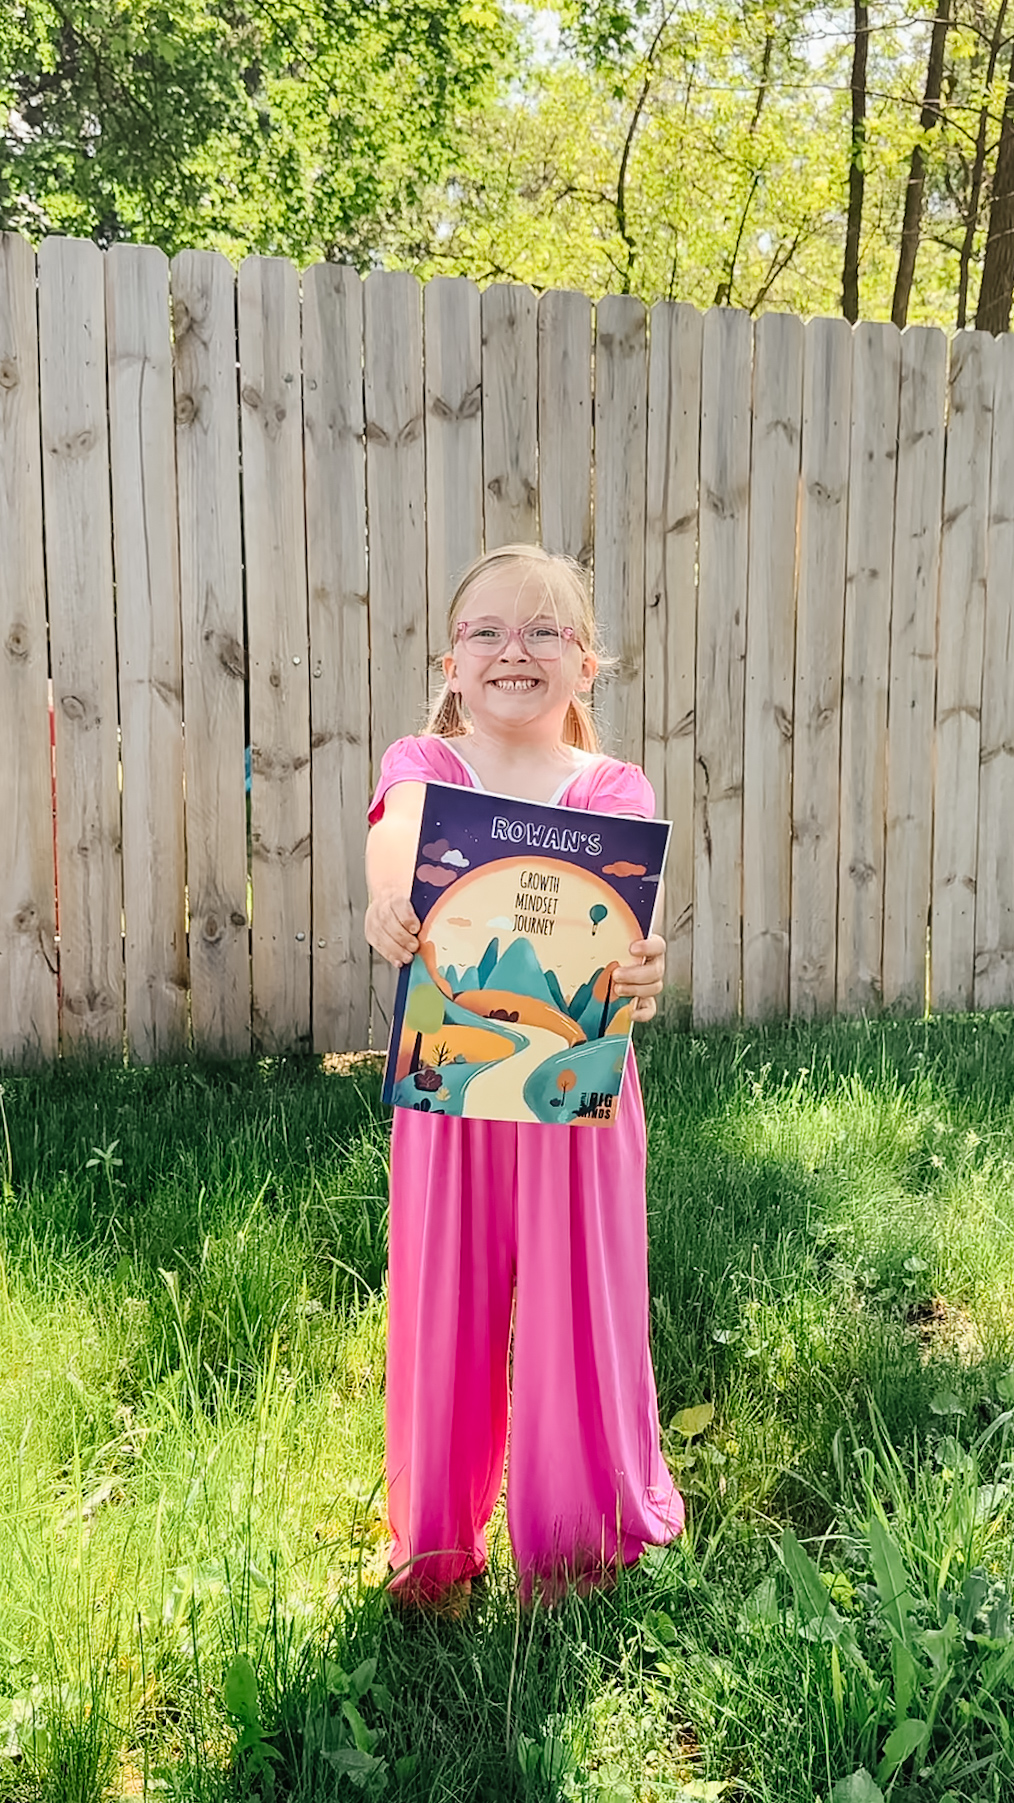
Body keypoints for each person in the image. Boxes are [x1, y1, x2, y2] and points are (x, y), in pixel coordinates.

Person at [364, 543, 684, 1609]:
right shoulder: (422, 768)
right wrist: (388, 897)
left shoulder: (614, 788)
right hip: (451, 1094)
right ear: (451, 665)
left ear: (586, 667)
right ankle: (435, 1546)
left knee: (578, 1305)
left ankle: (576, 1542)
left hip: (578, 1098)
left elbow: (627, 936)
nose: (516, 649)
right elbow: (398, 839)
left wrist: (644, 970)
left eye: (547, 632)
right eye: (488, 631)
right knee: (442, 1303)